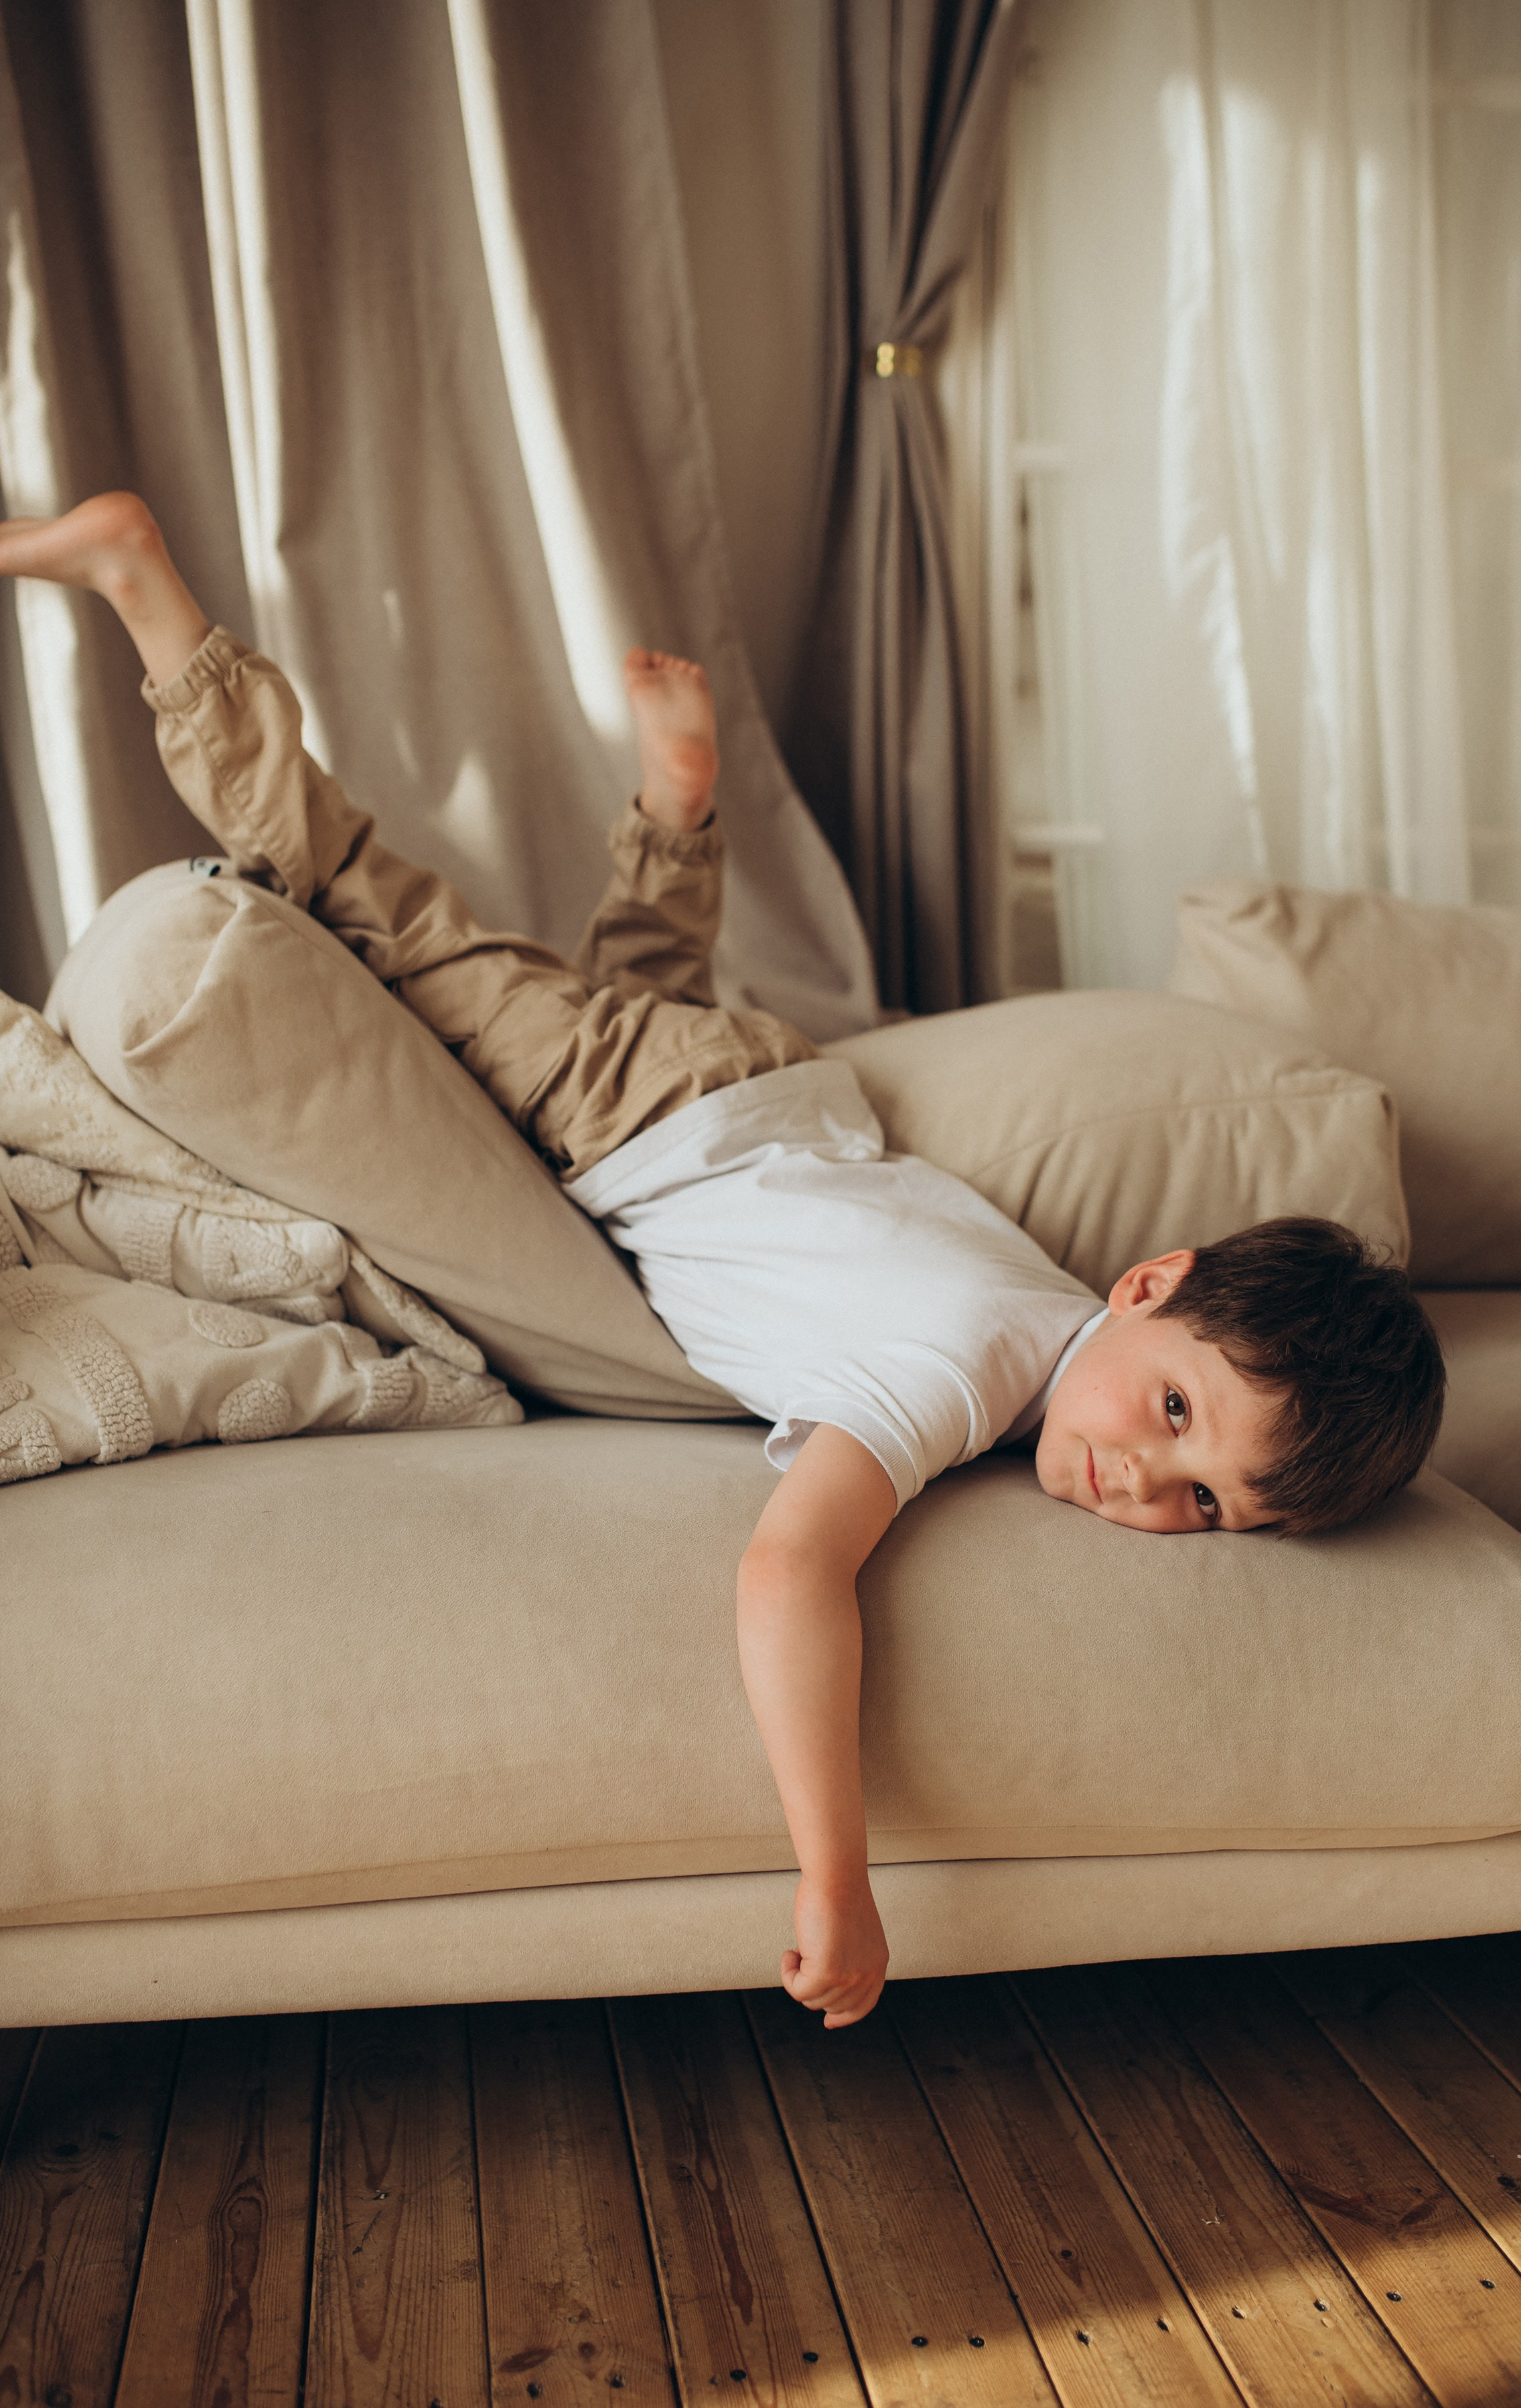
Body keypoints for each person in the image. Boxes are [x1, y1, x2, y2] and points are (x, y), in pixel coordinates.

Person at [0, 494, 1446, 2028]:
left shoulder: (1044, 1301)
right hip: (653, 1110)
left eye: (1206, 1503)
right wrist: (837, 1871)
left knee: (609, 990)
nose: (1144, 1493)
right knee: (365, 901)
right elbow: (791, 1571)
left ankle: (674, 820)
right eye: (1171, 1419)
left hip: (751, 1091)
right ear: (1148, 1285)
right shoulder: (965, 1365)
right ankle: (147, 595)